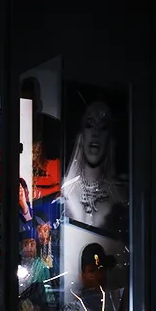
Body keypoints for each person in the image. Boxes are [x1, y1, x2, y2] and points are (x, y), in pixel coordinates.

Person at [62, 98, 127, 233]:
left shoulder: (120, 194)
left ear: (109, 140)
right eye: (90, 125)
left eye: (103, 127)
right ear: (81, 137)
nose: (96, 133)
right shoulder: (66, 189)